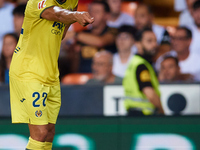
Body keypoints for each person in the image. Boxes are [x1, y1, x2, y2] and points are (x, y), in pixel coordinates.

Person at [9, 0, 94, 149]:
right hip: (28, 71)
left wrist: (72, 15)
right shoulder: (36, 2)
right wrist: (75, 15)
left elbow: (61, 33)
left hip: (50, 73)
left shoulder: (72, 1)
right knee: (40, 133)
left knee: (49, 132)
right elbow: (58, 14)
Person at [123, 28, 164, 116]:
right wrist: (161, 111)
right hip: (143, 116)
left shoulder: (134, 62)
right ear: (138, 44)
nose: (154, 45)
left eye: (155, 41)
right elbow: (149, 93)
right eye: (149, 41)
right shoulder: (141, 65)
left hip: (134, 115)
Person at [74, 1, 117, 73]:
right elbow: (75, 60)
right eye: (91, 11)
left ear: (107, 15)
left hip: (105, 77)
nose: (92, 15)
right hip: (83, 78)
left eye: (97, 12)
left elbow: (101, 42)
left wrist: (74, 35)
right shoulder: (83, 33)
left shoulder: (113, 31)